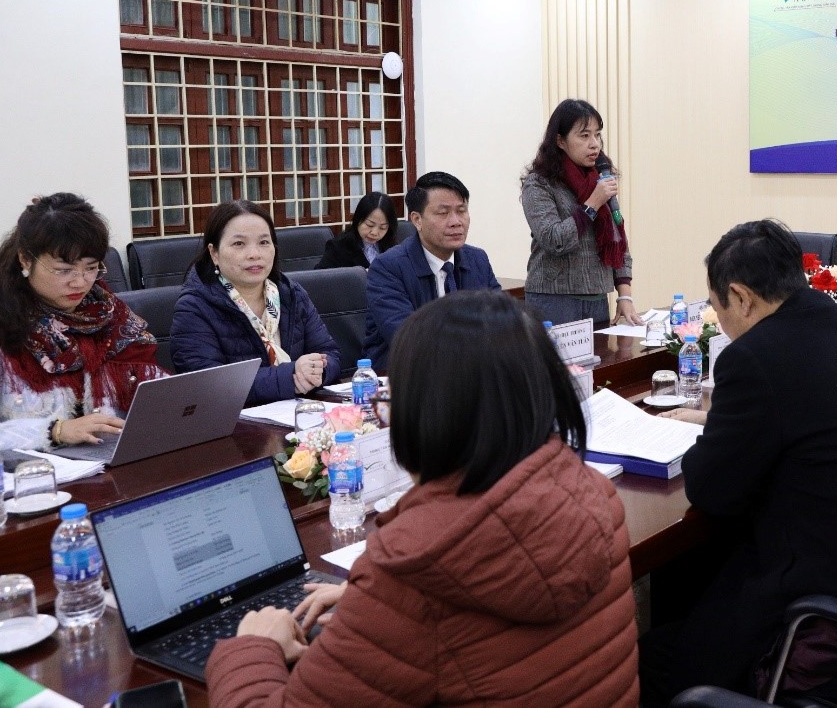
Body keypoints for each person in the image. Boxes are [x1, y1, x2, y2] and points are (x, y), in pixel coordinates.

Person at [205, 291, 639, 707]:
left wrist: (253, 647)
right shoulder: (591, 491)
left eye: (390, 401)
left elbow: (434, 599)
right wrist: (375, 610)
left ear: (427, 415)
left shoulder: (414, 573)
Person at [641, 220, 837, 706]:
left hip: (834, 608)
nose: (723, 325)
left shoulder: (756, 357)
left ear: (741, 298)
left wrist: (705, 435)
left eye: (719, 308)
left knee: (654, 662)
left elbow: (711, 490)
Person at [0, 193, 164, 451]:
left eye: (91, 268)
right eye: (63, 270)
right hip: (31, 471)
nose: (79, 282)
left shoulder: (114, 319)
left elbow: (154, 397)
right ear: (25, 260)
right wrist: (56, 431)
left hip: (111, 461)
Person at [171, 200, 340, 406]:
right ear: (214, 253)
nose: (255, 254)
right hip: (237, 422)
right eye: (239, 244)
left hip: (300, 413)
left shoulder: (291, 294)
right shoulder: (194, 307)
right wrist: (290, 377)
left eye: (264, 242)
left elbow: (330, 354)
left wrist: (315, 372)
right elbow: (209, 385)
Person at [520, 99, 643, 328]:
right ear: (560, 141)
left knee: (603, 354)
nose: (594, 144)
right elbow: (554, 240)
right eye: (584, 136)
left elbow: (618, 239)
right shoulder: (539, 184)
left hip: (597, 298)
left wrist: (624, 295)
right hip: (554, 300)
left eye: (597, 135)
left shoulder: (600, 178)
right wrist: (593, 204)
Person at [363, 172, 500, 371]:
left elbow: (502, 321)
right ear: (417, 220)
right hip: (406, 374)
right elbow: (408, 338)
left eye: (461, 211)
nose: (456, 221)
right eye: (443, 213)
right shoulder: (388, 267)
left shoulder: (477, 259)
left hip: (469, 372)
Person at [314, 191, 398, 270]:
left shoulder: (392, 246)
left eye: (383, 228)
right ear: (358, 220)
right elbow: (321, 276)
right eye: (369, 225)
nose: (374, 233)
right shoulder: (338, 247)